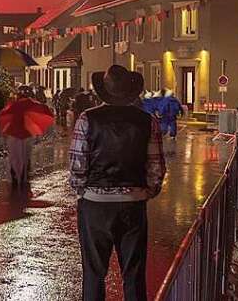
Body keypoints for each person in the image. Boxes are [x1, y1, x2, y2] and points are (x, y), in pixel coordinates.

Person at [70, 65, 166, 301]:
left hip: (95, 203)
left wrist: (84, 190)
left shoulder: (88, 119)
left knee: (94, 272)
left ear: (104, 91)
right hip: (132, 203)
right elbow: (156, 166)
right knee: (134, 273)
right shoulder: (147, 121)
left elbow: (77, 165)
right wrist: (147, 191)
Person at [0, 85, 55, 189]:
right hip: (26, 133)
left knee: (14, 156)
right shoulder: (32, 104)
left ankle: (15, 175)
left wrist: (4, 132)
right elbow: (45, 110)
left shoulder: (13, 105)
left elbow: (4, 115)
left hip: (13, 134)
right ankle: (25, 174)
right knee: (26, 155)